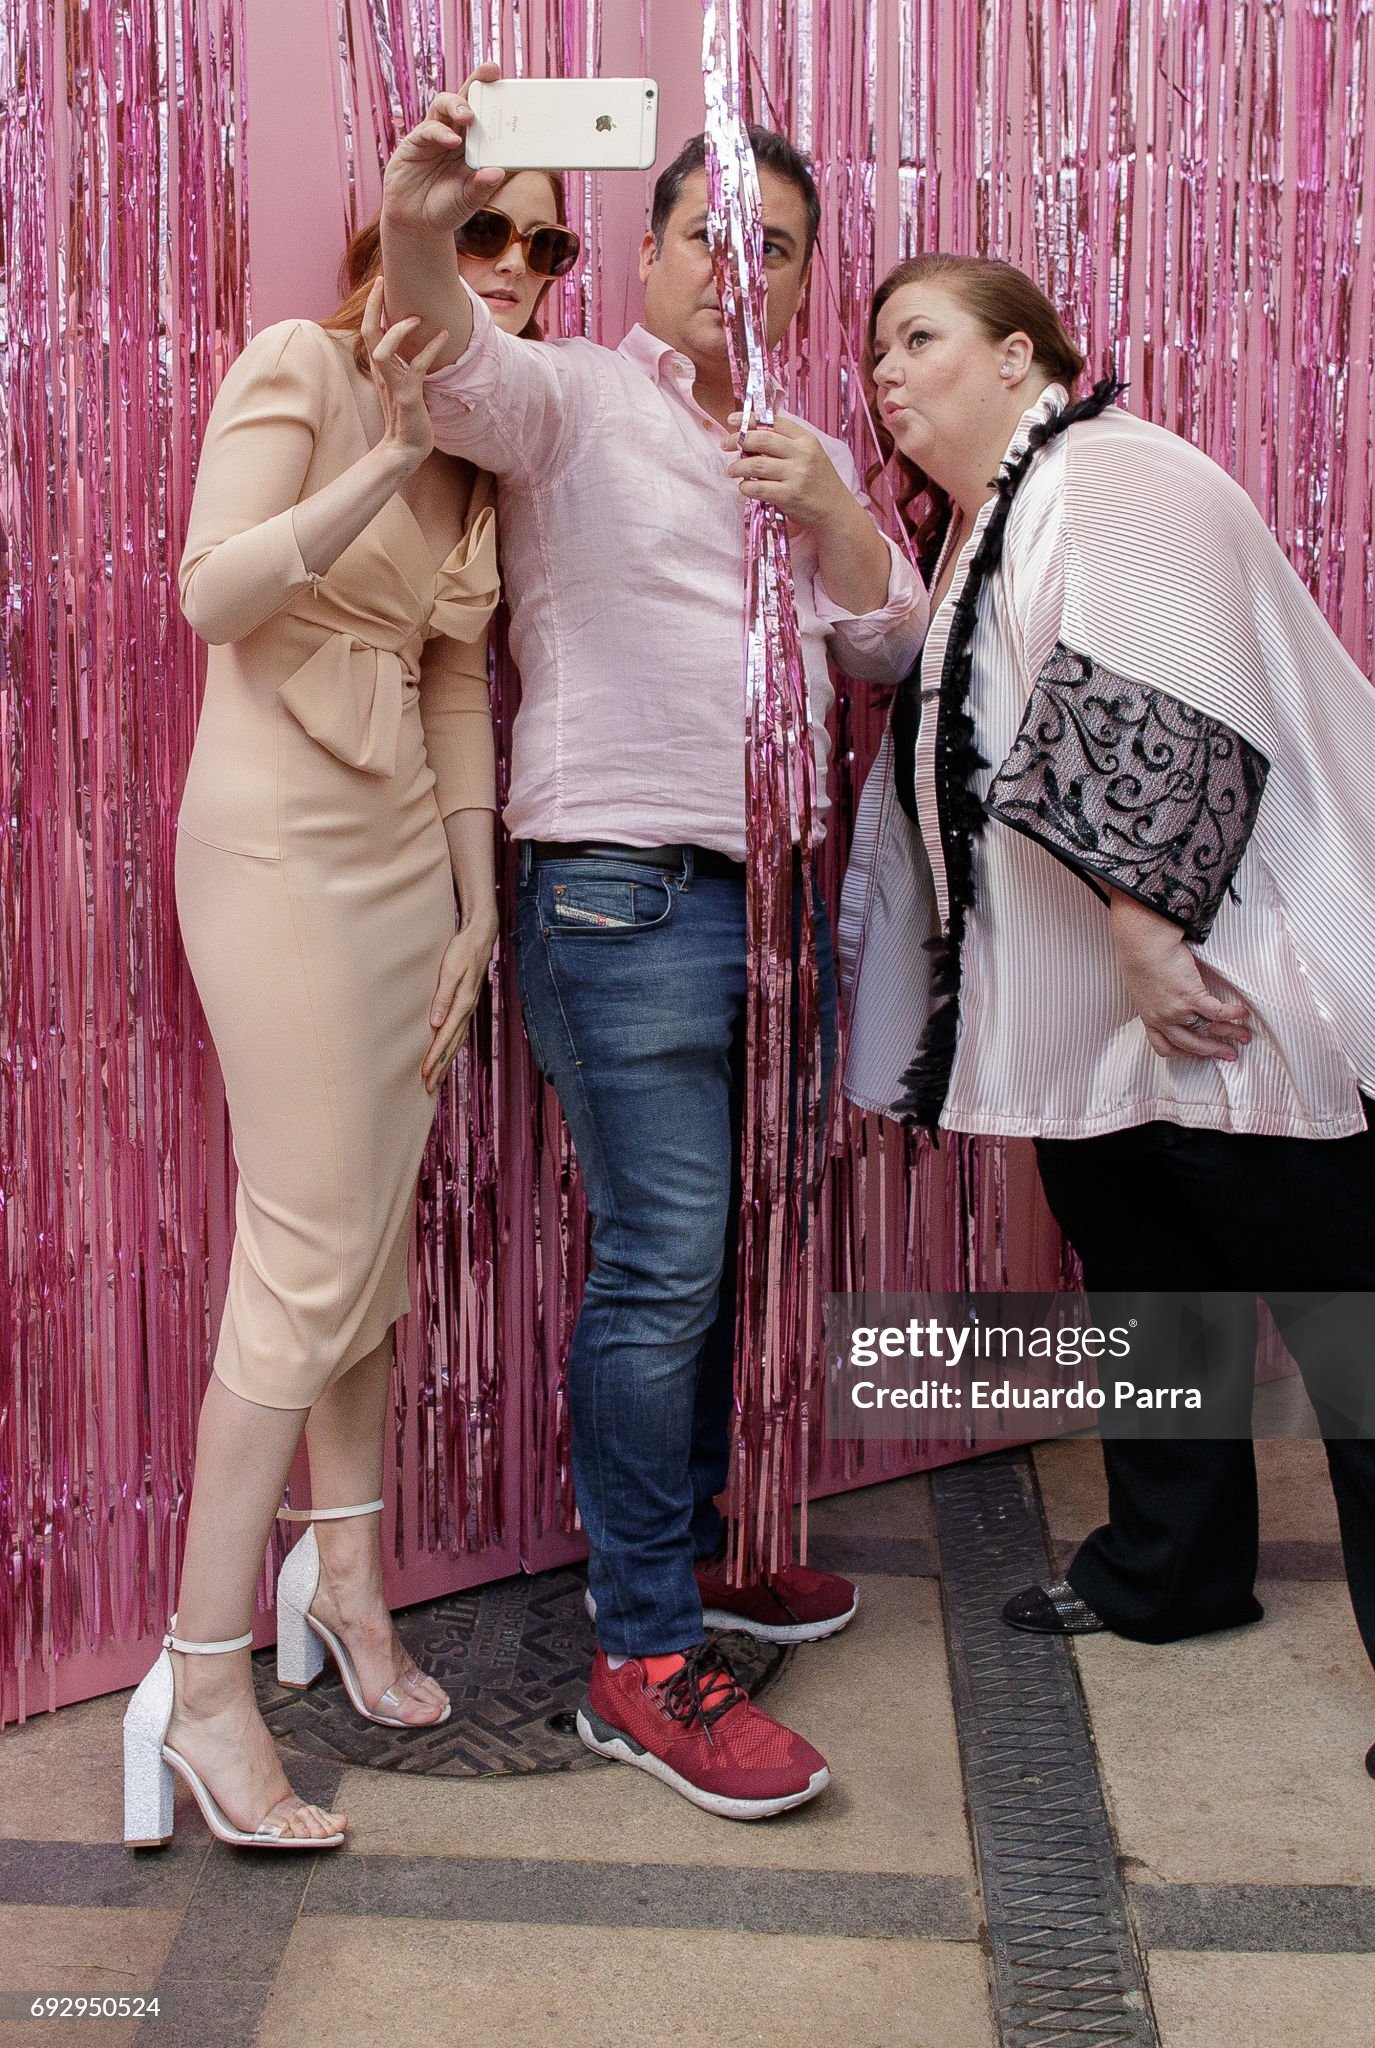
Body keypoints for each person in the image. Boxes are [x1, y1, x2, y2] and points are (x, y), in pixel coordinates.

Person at [841, 253, 1375, 1788]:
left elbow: (1164, 693)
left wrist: (1143, 928)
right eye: (876, 350)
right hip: (1111, 1018)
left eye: (922, 336)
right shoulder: (994, 519)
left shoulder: (1108, 474)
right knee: (1152, 1289)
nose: (887, 371)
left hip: (1252, 981)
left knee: (1371, 1311)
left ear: (1024, 357)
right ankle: (1166, 1573)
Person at [378, 74, 927, 1820]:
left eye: (777, 249)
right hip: (622, 890)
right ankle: (638, 1652)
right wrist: (416, 218)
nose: (737, 270)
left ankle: (696, 1552)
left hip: (780, 902)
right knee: (663, 1265)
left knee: (738, 1254)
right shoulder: (576, 401)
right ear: (652, 249)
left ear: (804, 279)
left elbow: (891, 649)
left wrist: (832, 511)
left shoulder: (803, 443)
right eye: (711, 236)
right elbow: (444, 349)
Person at [122, 172, 569, 1851]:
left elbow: (453, 677)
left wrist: (475, 900)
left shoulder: (492, 452)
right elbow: (212, 595)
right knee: (308, 1252)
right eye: (483, 232)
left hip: (400, 862)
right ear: (404, 242)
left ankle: (350, 1580)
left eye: (544, 244)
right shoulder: (301, 367)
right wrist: (386, 449)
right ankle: (201, 1683)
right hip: (278, 848)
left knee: (370, 1236)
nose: (513, 266)